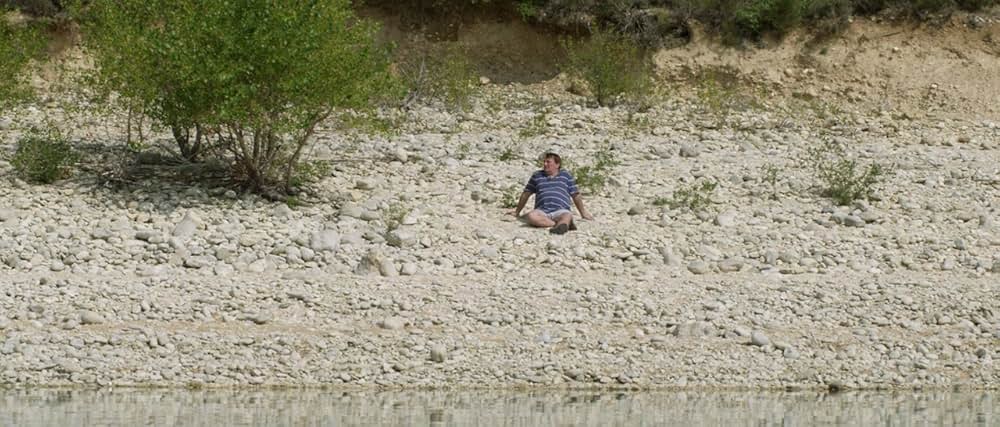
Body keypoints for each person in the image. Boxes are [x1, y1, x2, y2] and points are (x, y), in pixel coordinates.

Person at [509, 151, 593, 234]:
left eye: (548, 162)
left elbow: (575, 194)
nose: (545, 164)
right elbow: (526, 193)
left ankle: (562, 224)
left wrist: (583, 213)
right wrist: (517, 211)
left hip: (561, 209)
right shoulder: (537, 175)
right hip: (542, 210)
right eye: (544, 162)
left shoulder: (566, 175)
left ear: (557, 164)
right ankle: (559, 225)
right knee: (531, 216)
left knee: (567, 215)